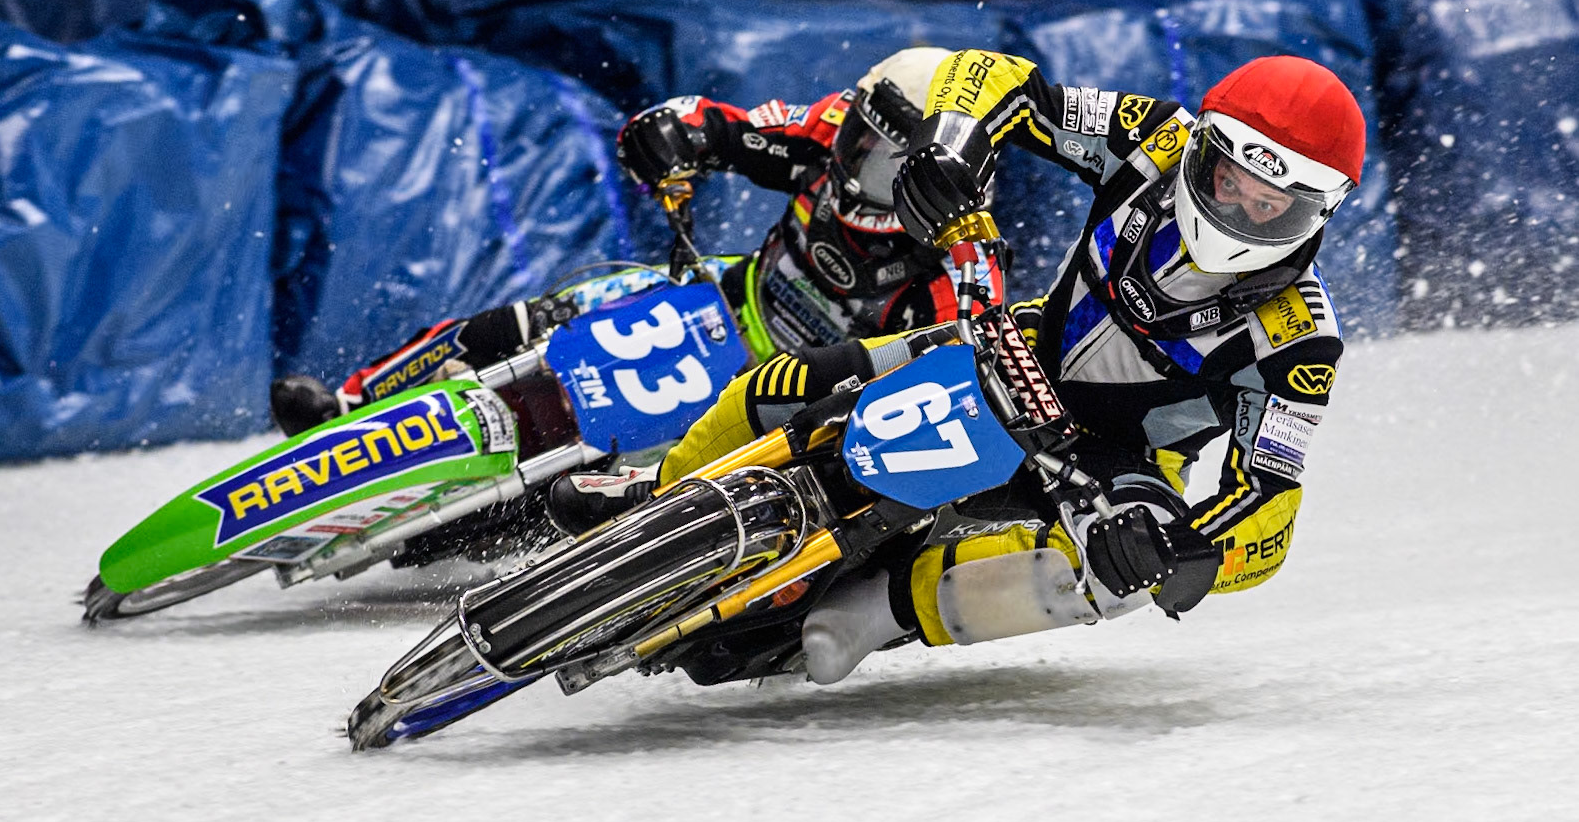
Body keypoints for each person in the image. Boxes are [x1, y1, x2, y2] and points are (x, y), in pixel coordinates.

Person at [553, 50, 1364, 686]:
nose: (1242, 211)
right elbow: (997, 78)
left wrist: (1193, 551)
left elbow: (1269, 506)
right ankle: (664, 488)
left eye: (1271, 206)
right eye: (1231, 181)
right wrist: (953, 149)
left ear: (1316, 213)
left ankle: (880, 612)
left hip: (1126, 461)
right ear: (1204, 151)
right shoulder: (1154, 137)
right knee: (783, 383)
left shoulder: (1302, 340)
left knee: (1106, 577)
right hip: (1015, 347)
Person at [269, 46, 1004, 442]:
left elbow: (958, 382)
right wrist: (671, 134)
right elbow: (718, 124)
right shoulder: (824, 128)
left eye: (882, 157)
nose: (854, 155)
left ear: (937, 175)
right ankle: (351, 404)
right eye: (859, 134)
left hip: (787, 395)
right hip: (726, 297)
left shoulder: (962, 262)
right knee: (537, 318)